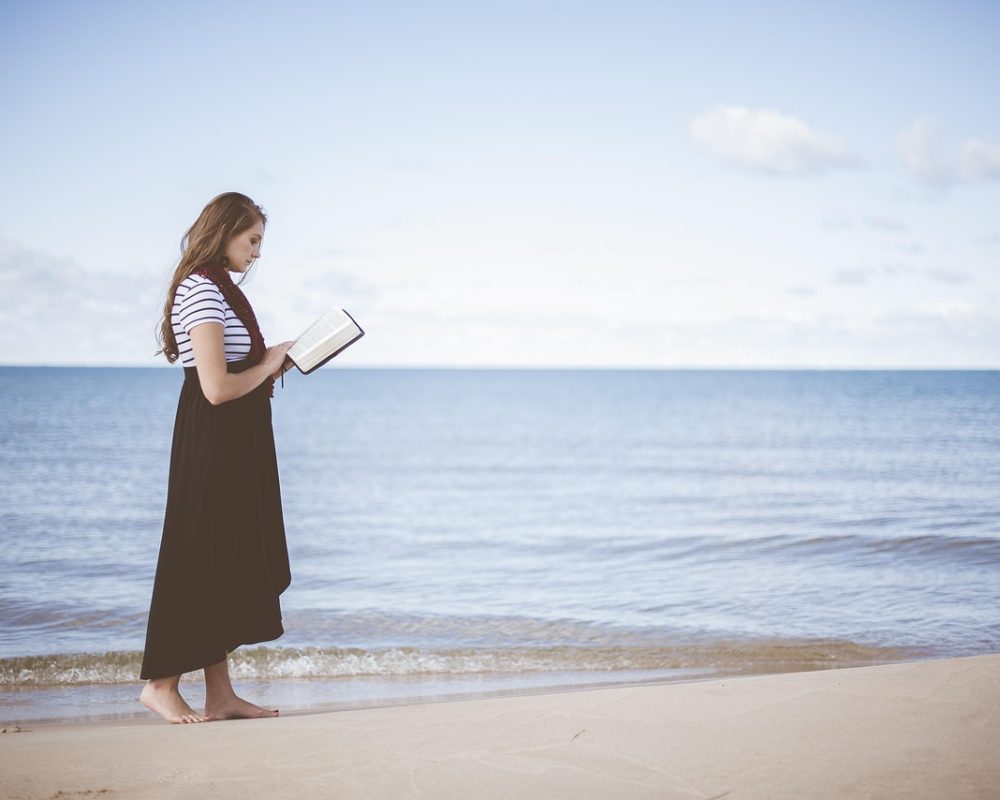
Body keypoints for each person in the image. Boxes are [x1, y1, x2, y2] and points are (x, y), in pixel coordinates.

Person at [139, 192, 296, 723]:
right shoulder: (202, 290)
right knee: (197, 557)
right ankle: (160, 684)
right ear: (225, 232)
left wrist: (276, 359)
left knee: (224, 562)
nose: (256, 253)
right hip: (214, 439)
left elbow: (229, 374)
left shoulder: (217, 290)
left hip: (235, 442)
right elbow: (215, 389)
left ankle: (221, 694)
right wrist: (271, 364)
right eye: (252, 240)